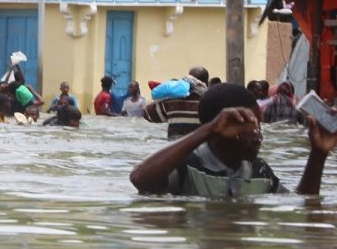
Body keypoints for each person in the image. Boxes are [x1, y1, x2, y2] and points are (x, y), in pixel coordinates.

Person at [130, 83, 337, 197]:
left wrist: (318, 155)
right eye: (245, 127)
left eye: (258, 126)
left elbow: (300, 204)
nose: (257, 136)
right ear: (219, 128)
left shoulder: (260, 171)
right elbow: (140, 179)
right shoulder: (188, 166)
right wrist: (207, 130)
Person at [144, 66, 210, 139]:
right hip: (201, 146)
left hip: (175, 147)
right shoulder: (211, 102)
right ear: (207, 83)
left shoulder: (171, 101)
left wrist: (160, 99)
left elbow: (147, 115)